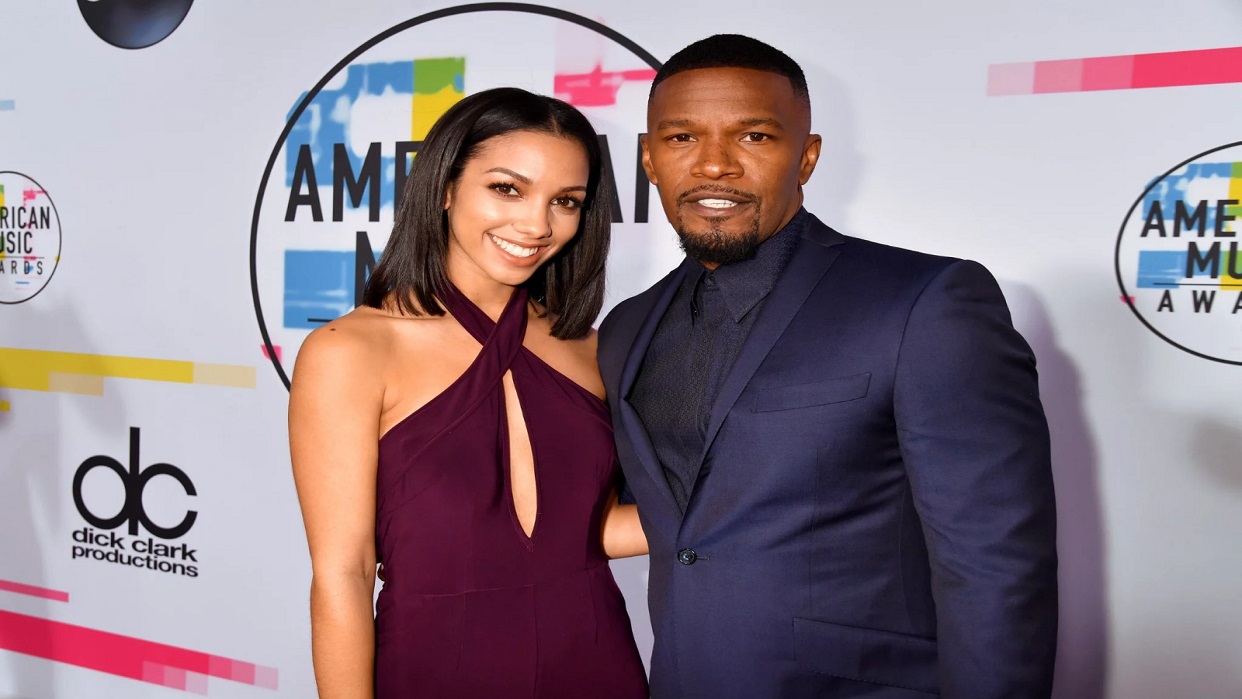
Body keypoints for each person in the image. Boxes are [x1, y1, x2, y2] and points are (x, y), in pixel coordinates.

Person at [597, 34, 1059, 698]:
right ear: (648, 158)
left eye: (754, 137)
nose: (715, 165)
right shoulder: (626, 328)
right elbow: (668, 518)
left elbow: (996, 564)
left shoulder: (923, 303)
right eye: (681, 139)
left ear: (806, 157)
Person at [289, 87, 648, 698]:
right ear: (447, 186)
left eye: (565, 201)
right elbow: (343, 574)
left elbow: (589, 534)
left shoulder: (590, 348)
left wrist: (741, 501)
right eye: (507, 188)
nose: (537, 225)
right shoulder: (350, 351)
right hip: (438, 667)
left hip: (596, 661)